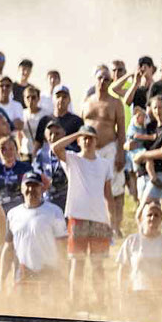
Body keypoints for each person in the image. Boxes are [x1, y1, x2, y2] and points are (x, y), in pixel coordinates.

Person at [48, 127, 116, 302]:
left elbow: (108, 195)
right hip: (77, 217)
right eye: (84, 138)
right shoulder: (73, 159)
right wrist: (78, 133)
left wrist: (112, 222)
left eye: (91, 137)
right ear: (78, 141)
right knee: (77, 263)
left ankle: (100, 301)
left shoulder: (104, 164)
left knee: (98, 264)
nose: (87, 141)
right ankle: (75, 301)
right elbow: (55, 148)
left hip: (100, 220)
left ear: (96, 140)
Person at [2, 170, 67, 292]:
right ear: (22, 189)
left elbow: (62, 246)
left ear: (42, 189)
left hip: (49, 274)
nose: (31, 189)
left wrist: (64, 276)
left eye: (35, 186)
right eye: (28, 185)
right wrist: (1, 279)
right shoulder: (13, 214)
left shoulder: (55, 212)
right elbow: (8, 248)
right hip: (23, 275)